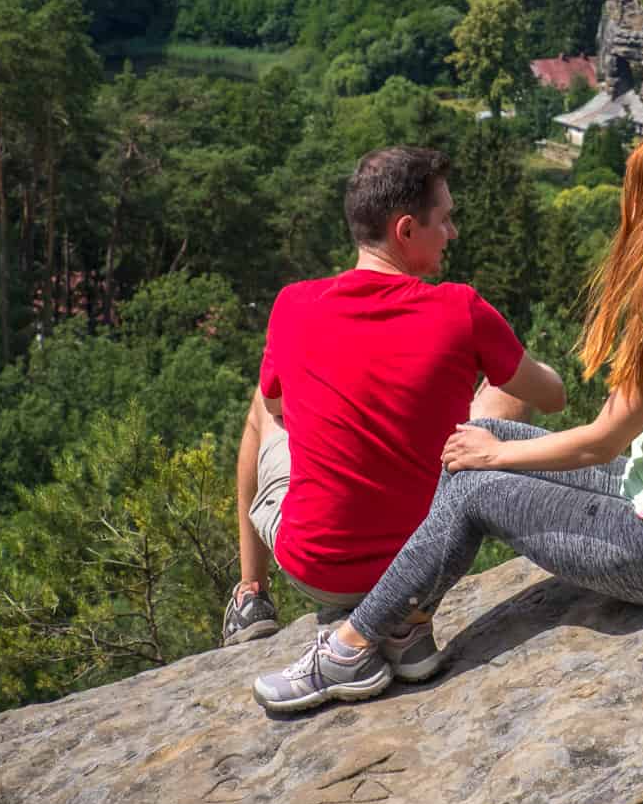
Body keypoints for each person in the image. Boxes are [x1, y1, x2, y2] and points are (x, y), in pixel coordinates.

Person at [253, 121, 643, 714]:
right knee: (484, 432)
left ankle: (352, 647)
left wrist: (496, 459)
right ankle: (408, 627)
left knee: (477, 484)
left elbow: (601, 442)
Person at [223, 146, 568, 692]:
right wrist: (505, 358)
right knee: (506, 391)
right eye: (445, 219)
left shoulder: (292, 305)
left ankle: (249, 595)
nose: (452, 232)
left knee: (259, 405)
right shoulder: (461, 308)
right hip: (427, 559)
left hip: (320, 570)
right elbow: (552, 395)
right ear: (405, 229)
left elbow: (275, 410)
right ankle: (406, 623)